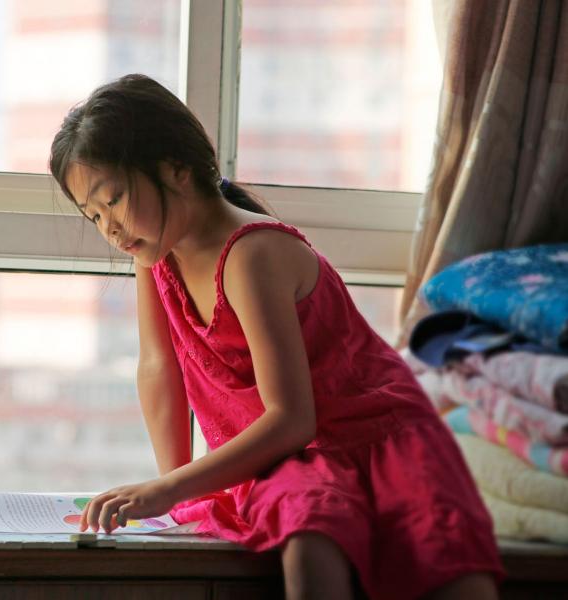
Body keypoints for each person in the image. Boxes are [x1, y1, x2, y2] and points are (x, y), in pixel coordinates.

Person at [48, 73, 504, 600]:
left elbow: (292, 417)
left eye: (115, 199)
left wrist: (167, 488)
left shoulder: (250, 255)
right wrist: (171, 495)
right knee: (310, 532)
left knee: (442, 564)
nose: (109, 227)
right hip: (291, 456)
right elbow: (158, 369)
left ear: (175, 169)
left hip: (378, 440)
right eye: (93, 214)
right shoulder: (155, 255)